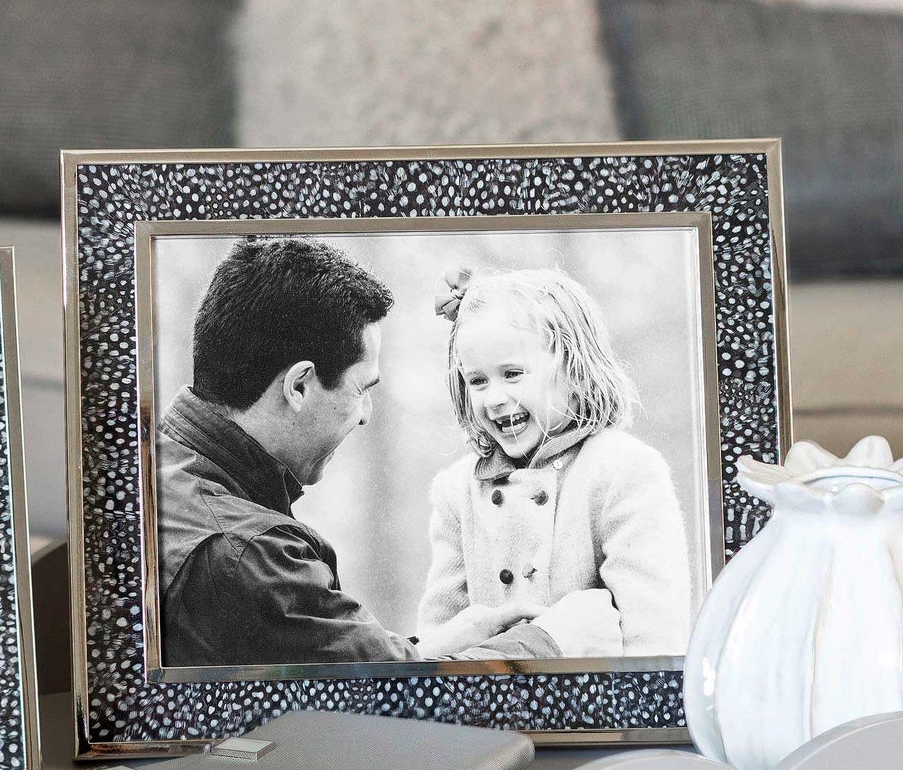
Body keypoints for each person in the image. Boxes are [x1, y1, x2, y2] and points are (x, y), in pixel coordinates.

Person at [156, 237, 551, 668]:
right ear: (300, 386)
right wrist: (552, 642)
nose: (365, 416)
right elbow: (395, 708)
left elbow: (331, 665)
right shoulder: (246, 555)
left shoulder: (157, 472)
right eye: (362, 389)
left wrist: (436, 645)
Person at [414, 266, 691, 658]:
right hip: (484, 710)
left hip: (597, 712)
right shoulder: (457, 490)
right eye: (477, 381)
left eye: (512, 374)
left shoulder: (622, 470)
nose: (493, 397)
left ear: (574, 370)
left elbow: (656, 635)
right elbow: (438, 641)